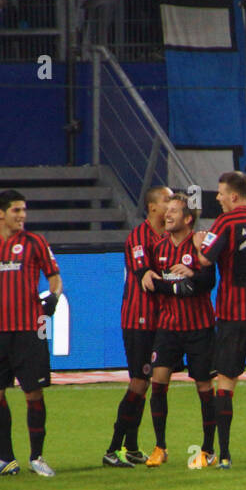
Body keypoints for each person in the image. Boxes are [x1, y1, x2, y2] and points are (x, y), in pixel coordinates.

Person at [192, 171, 246, 469]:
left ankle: (225, 454)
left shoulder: (227, 222)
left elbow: (205, 259)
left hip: (233, 315)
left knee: (226, 382)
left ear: (234, 196)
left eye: (220, 193)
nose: (217, 198)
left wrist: (197, 243)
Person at [0, 190, 62, 477]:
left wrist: (53, 297)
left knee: (33, 393)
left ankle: (37, 456)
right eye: (16, 210)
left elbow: (54, 278)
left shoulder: (35, 242)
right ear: (0, 214)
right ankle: (6, 459)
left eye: (24, 210)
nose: (22, 215)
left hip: (29, 330)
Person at [138, 194, 218, 468]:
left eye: (173, 211)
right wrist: (145, 273)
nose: (167, 215)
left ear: (188, 219)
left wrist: (191, 276)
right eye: (166, 211)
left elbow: (208, 282)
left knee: (204, 387)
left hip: (200, 328)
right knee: (158, 383)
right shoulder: (157, 246)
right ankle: (160, 447)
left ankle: (208, 450)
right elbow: (148, 277)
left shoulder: (199, 244)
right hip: (168, 328)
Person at [103, 185, 169, 468]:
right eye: (167, 200)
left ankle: (130, 447)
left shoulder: (167, 236)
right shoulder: (139, 236)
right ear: (152, 207)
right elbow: (147, 277)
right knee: (139, 382)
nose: (172, 203)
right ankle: (113, 448)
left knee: (147, 385)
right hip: (139, 320)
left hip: (160, 319)